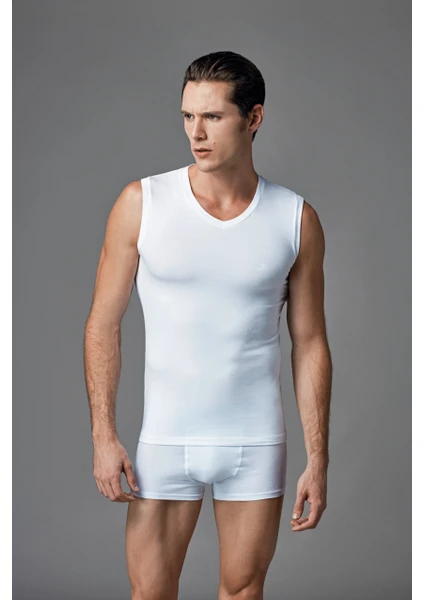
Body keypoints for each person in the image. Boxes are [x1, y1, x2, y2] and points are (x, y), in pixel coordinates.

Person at [84, 50, 332, 600]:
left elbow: (310, 342)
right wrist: (103, 435)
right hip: (165, 440)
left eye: (213, 117)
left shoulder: (295, 219)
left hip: (254, 441)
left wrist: (318, 459)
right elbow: (103, 324)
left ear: (254, 118)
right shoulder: (142, 203)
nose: (196, 133)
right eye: (188, 116)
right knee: (150, 594)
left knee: (243, 592)